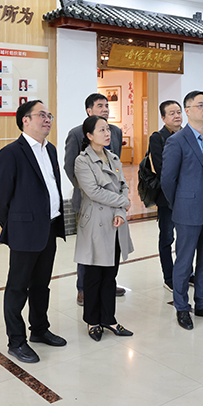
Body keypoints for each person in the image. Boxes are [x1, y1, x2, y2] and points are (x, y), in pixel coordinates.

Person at [0, 100, 67, 364]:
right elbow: (0, 195)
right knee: (17, 287)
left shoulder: (51, 149)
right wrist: (13, 225)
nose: (47, 119)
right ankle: (16, 341)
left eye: (49, 115)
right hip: (24, 231)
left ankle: (40, 329)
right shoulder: (11, 152)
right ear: (25, 120)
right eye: (41, 115)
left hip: (50, 226)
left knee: (41, 285)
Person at [161, 90, 203, 329]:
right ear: (187, 111)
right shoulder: (177, 140)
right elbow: (167, 180)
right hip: (187, 208)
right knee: (184, 261)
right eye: (200, 105)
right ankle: (182, 307)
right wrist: (179, 203)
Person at [73, 116, 134, 341]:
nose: (107, 133)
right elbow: (94, 192)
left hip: (115, 221)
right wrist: (123, 202)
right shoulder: (82, 161)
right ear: (89, 135)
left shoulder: (113, 157)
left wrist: (120, 212)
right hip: (95, 223)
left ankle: (109, 319)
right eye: (101, 130)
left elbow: (123, 186)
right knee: (93, 276)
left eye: (108, 129)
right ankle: (93, 321)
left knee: (110, 275)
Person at [64, 93, 124, 306]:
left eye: (107, 105)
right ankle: (83, 288)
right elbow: (69, 167)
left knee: (111, 243)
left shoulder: (115, 132)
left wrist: (116, 197)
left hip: (112, 201)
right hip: (88, 201)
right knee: (89, 247)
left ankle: (108, 283)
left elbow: (117, 167)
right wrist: (88, 189)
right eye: (100, 106)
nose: (105, 109)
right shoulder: (76, 133)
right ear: (89, 111)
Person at [148, 100, 184, 291]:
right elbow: (162, 168)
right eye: (172, 113)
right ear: (163, 118)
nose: (177, 116)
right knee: (167, 237)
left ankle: (186, 272)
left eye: (179, 112)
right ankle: (168, 276)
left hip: (187, 196)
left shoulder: (188, 134)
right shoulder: (158, 137)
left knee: (186, 237)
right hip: (167, 196)